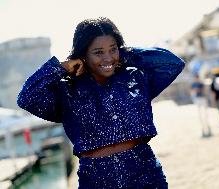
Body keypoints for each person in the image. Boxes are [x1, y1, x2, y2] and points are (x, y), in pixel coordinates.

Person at [17, 17, 185, 189]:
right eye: (98, 52)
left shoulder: (135, 79)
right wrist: (61, 68)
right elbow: (26, 98)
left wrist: (124, 54)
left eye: (112, 49)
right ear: (83, 55)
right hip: (96, 179)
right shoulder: (67, 91)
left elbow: (172, 64)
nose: (107, 58)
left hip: (144, 171)